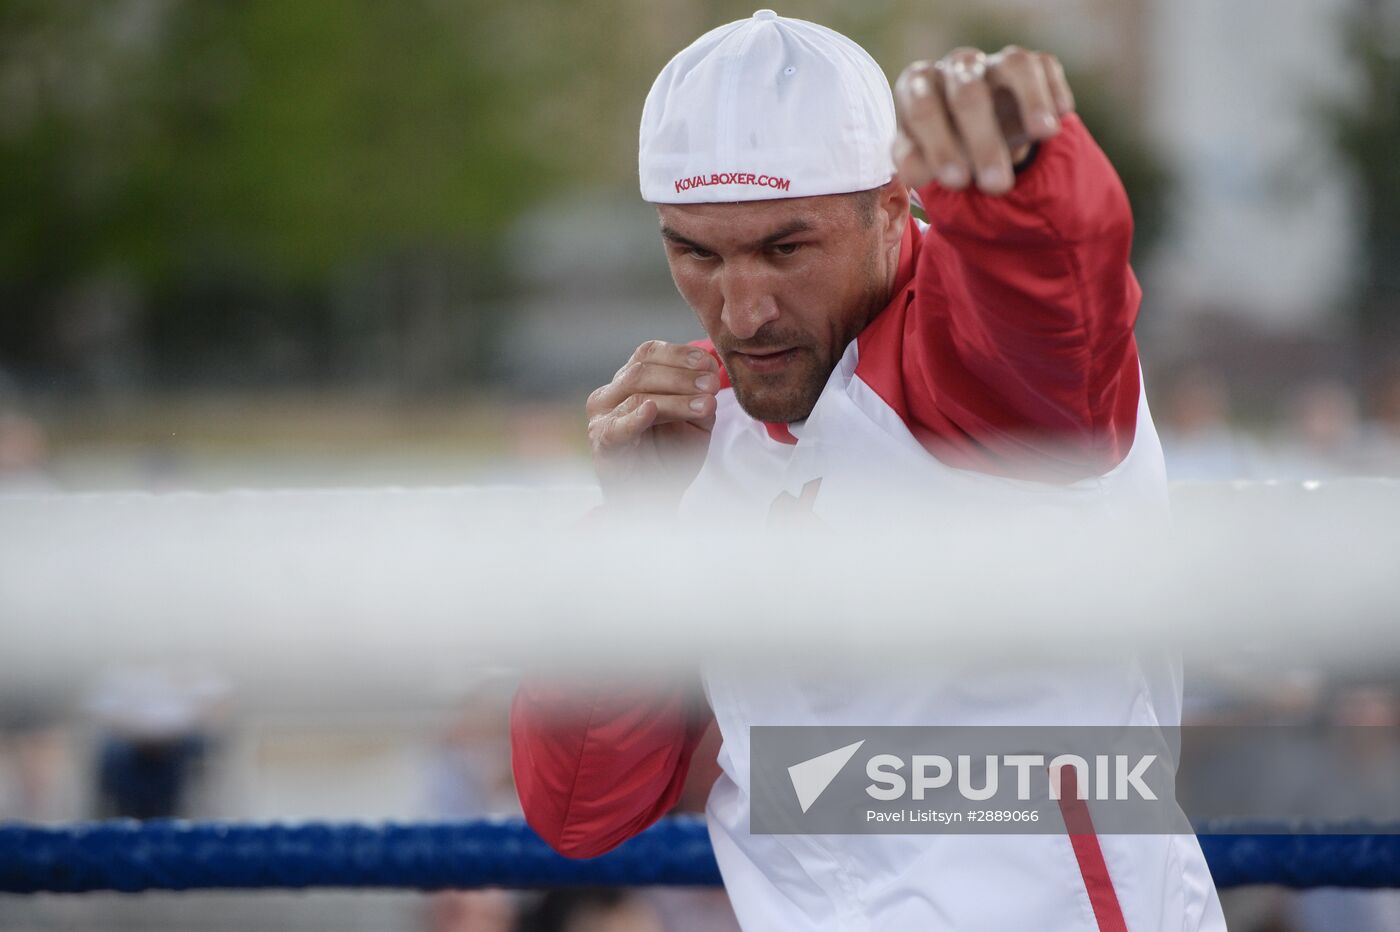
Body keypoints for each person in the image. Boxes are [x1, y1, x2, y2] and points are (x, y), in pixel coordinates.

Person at [512, 11, 1226, 930]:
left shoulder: (985, 367)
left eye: (786, 247)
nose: (744, 308)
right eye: (696, 251)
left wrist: (1013, 170)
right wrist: (636, 534)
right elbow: (579, 812)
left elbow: (1050, 291)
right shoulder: (699, 427)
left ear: (893, 208)